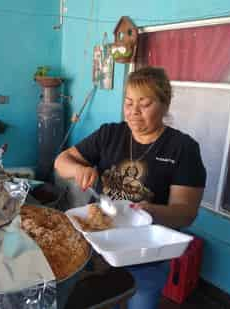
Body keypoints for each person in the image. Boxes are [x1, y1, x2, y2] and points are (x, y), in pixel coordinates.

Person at [54, 66, 206, 309]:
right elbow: (61, 161)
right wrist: (77, 169)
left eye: (144, 104)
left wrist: (149, 211)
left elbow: (186, 212)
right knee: (107, 301)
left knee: (141, 302)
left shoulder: (182, 148)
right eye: (128, 103)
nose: (134, 112)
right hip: (104, 251)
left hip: (146, 256)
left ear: (164, 105)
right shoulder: (110, 134)